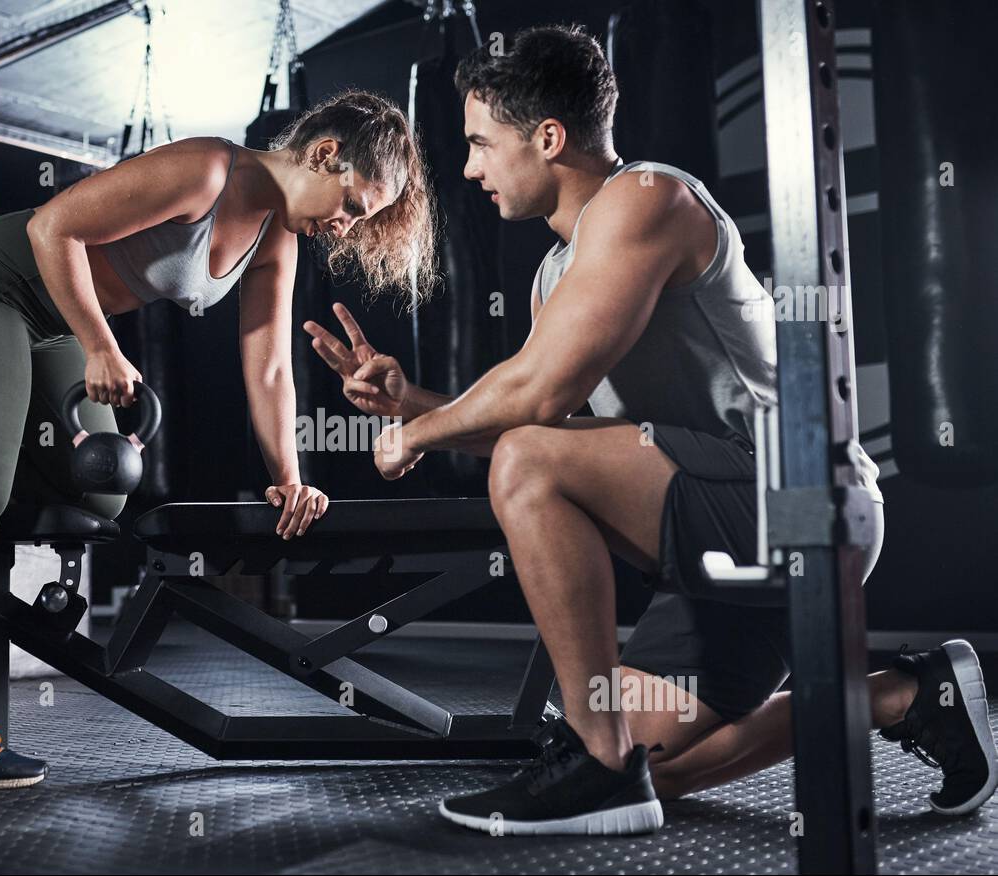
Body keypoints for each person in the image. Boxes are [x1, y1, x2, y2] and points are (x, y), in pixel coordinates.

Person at [306, 25, 997, 834]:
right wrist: (413, 406)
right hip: (714, 533)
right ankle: (909, 694)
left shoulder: (648, 200)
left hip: (802, 498)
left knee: (595, 736)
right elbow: (542, 437)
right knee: (650, 761)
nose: (469, 169)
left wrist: (420, 438)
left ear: (549, 138)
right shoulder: (552, 276)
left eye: (481, 145)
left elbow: (539, 404)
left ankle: (597, 770)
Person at [0, 90, 438, 789]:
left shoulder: (275, 234)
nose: (345, 228)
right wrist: (102, 347)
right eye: (352, 205)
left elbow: (271, 359)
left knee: (101, 490)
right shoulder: (206, 171)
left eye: (361, 221)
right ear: (323, 154)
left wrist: (288, 473)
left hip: (55, 325)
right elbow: (52, 230)